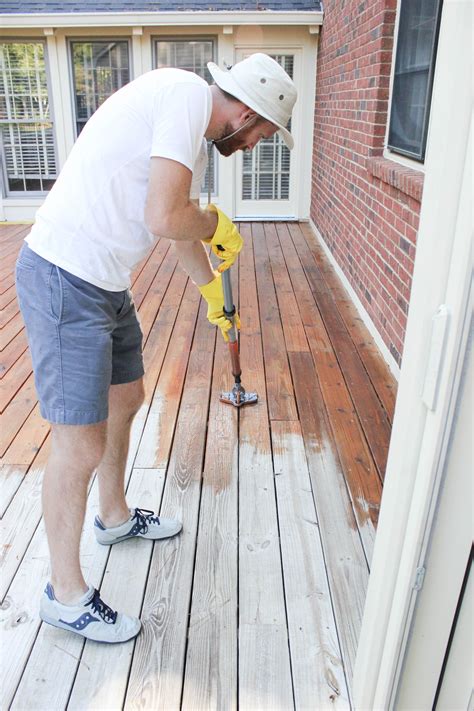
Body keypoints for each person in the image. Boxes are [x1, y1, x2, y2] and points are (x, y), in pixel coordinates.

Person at [15, 53, 297, 643]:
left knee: (128, 396)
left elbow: (172, 226)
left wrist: (214, 298)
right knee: (79, 441)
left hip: (104, 281)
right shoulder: (185, 97)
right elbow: (168, 216)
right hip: (66, 277)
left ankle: (113, 518)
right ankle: (63, 593)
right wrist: (215, 222)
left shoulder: (186, 129)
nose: (252, 147)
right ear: (245, 113)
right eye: (261, 136)